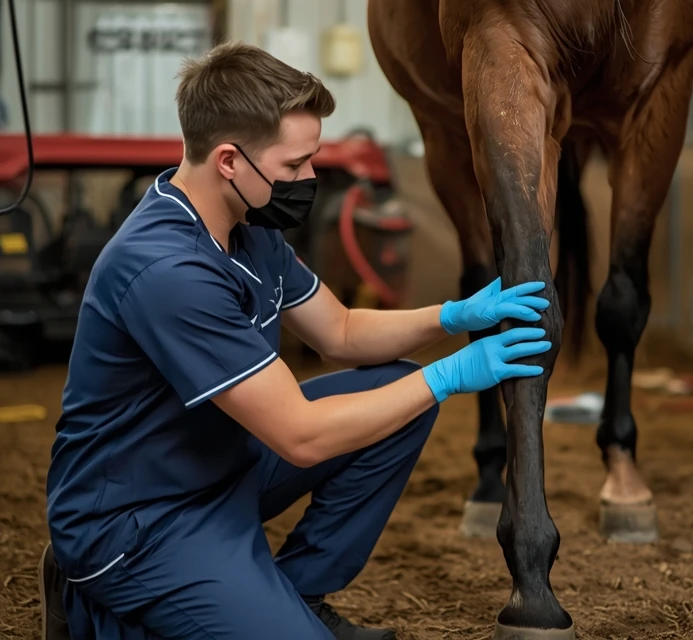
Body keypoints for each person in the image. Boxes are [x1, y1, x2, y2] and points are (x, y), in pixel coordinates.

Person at [39, 41, 552, 640]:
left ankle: (299, 592)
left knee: (393, 390)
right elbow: (302, 437)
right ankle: (92, 598)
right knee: (409, 393)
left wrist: (454, 316)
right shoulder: (166, 270)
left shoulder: (245, 227)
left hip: (217, 463)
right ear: (229, 160)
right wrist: (448, 376)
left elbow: (340, 331)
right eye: (294, 165)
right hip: (139, 518)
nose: (308, 177)